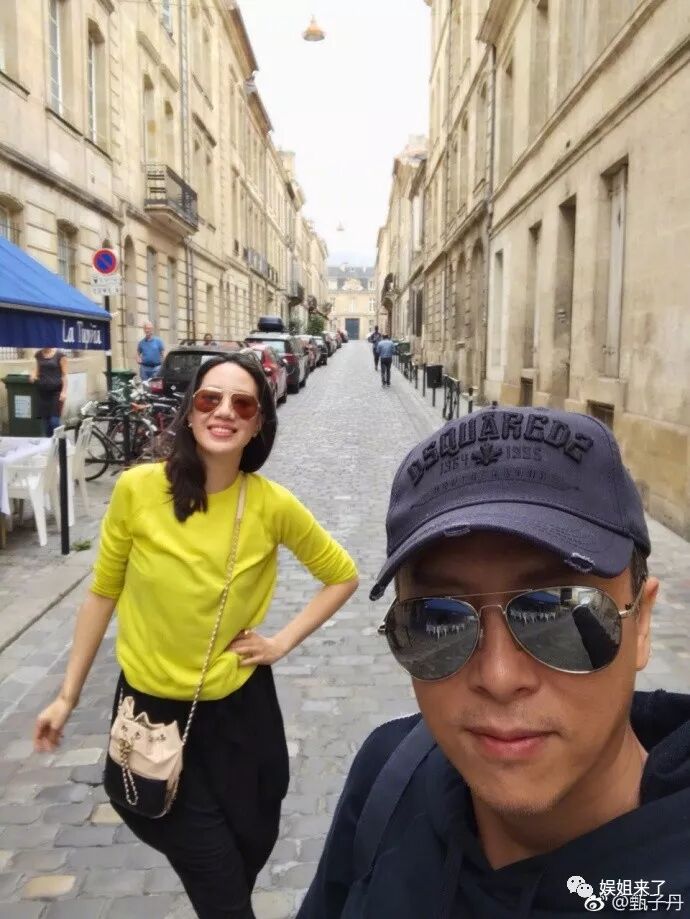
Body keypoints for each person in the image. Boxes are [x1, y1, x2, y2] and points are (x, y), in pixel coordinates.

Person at [299, 407, 690, 918]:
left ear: (641, 624)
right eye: (436, 618)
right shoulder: (388, 776)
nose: (499, 677)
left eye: (556, 612)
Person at [34, 351, 359, 919]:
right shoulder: (138, 490)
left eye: (243, 404)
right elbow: (102, 593)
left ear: (258, 423)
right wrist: (67, 696)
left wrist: (281, 643)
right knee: (220, 884)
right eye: (210, 398)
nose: (224, 411)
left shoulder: (271, 505)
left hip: (241, 715)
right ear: (190, 411)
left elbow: (342, 575)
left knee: (250, 845)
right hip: (151, 714)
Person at [30, 346, 67, 436]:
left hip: (56, 393)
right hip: (42, 393)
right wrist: (33, 376)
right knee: (46, 423)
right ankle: (49, 442)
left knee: (54, 422)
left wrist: (64, 392)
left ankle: (60, 440)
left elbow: (64, 375)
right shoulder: (38, 354)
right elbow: (37, 370)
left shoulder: (60, 355)